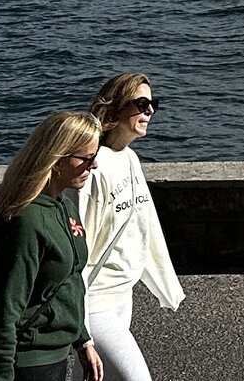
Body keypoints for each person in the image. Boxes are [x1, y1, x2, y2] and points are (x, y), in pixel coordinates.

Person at [0, 111, 105, 381]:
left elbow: (68, 282)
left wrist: (82, 341)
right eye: (87, 158)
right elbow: (4, 307)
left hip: (58, 353)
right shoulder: (26, 221)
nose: (94, 166)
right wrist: (0, 374)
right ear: (57, 159)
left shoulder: (64, 206)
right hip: (30, 362)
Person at [82, 73, 184, 381]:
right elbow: (76, 242)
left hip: (123, 295)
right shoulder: (92, 165)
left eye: (153, 103)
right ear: (114, 109)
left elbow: (145, 226)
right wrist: (79, 327)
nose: (150, 110)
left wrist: (163, 282)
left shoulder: (130, 159)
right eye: (141, 103)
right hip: (93, 301)